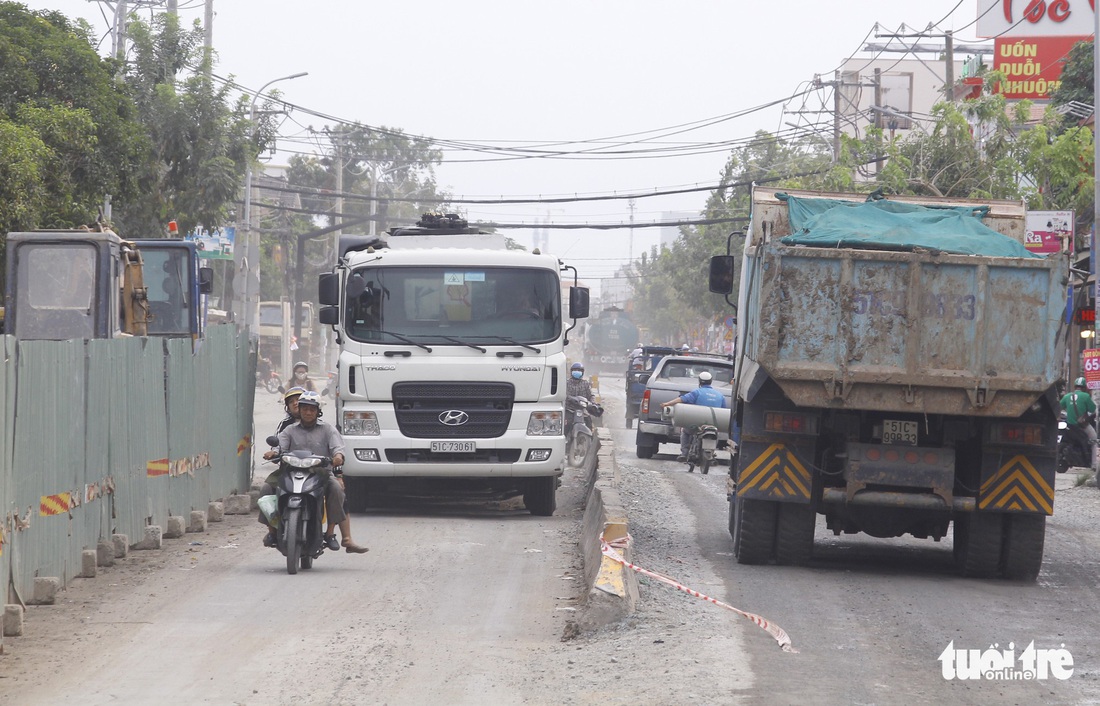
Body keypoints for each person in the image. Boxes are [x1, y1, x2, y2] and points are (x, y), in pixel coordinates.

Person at [260, 391, 369, 553]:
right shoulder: (289, 429)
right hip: (290, 472)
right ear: (299, 410)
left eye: (312, 409)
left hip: (320, 473)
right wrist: (273, 452)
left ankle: (331, 533)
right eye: (304, 409)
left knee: (337, 490)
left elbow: (338, 449)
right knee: (266, 489)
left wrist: (338, 456)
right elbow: (279, 447)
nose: (308, 412)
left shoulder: (328, 430)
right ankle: (272, 532)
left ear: (318, 411)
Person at [661, 371, 728, 462]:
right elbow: (723, 410)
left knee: (685, 432)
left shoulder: (697, 392)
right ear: (711, 381)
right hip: (713, 424)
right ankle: (711, 453)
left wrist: (667, 404)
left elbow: (681, 399)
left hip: (698, 424)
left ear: (700, 381)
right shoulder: (720, 395)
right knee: (716, 434)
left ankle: (684, 453)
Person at [1060, 377, 1097, 469]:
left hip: (1070, 426)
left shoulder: (1067, 396)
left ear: (1075, 386)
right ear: (1084, 387)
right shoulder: (1086, 396)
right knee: (1094, 440)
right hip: (1082, 426)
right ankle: (1094, 464)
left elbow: (1060, 406)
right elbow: (1092, 409)